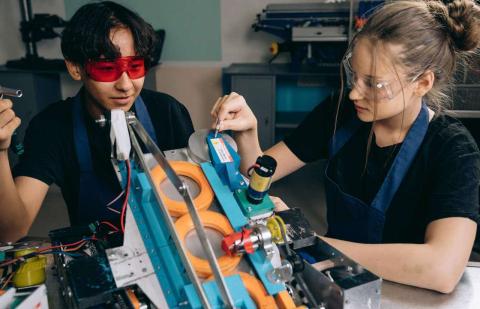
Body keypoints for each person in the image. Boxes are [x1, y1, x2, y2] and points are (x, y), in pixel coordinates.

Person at [211, 0, 480, 293]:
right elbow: (255, 180)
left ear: (422, 83)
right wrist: (248, 134)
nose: (354, 93)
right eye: (355, 76)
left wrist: (311, 241)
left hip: (404, 295)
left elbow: (441, 269)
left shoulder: (452, 150)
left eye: (374, 84)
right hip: (332, 279)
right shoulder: (341, 113)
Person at [0, 2, 194, 242]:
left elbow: (199, 196)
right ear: (75, 68)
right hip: (96, 256)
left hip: (171, 243)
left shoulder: (167, 112)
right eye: (106, 68)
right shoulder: (51, 126)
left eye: (134, 67)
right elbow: (11, 231)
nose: (125, 85)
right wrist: (0, 151)